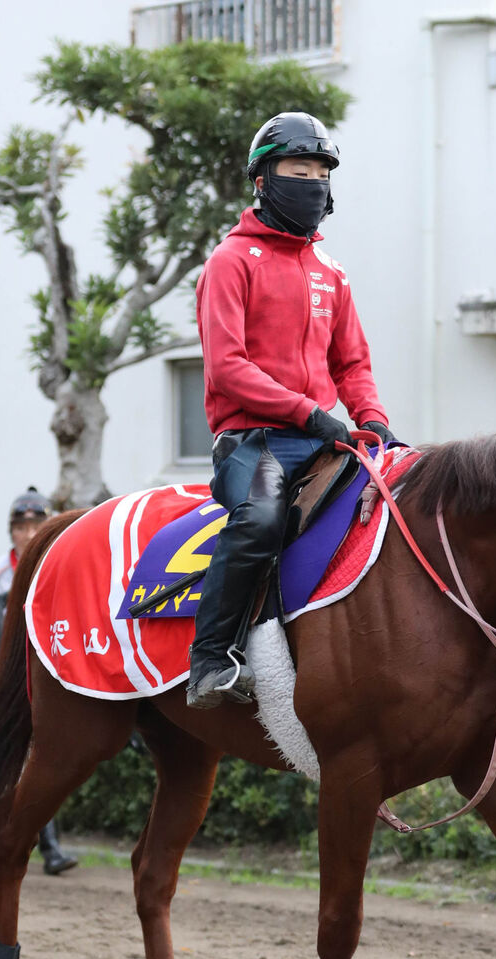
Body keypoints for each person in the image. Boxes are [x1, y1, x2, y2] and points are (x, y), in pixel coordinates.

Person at [187, 111, 396, 709]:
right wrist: (308, 413)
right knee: (259, 520)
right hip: (253, 442)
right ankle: (209, 663)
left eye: (321, 173)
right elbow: (228, 367)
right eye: (297, 171)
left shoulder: (332, 273)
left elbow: (353, 364)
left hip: (324, 438)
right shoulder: (229, 262)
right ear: (263, 179)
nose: (312, 184)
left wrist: (373, 418)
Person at [0, 487, 78, 875]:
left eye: (36, 525)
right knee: (21, 757)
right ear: (10, 531)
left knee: (35, 757)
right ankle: (48, 849)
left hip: (44, 677)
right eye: (20, 526)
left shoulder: (60, 568)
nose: (28, 534)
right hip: (1, 680)